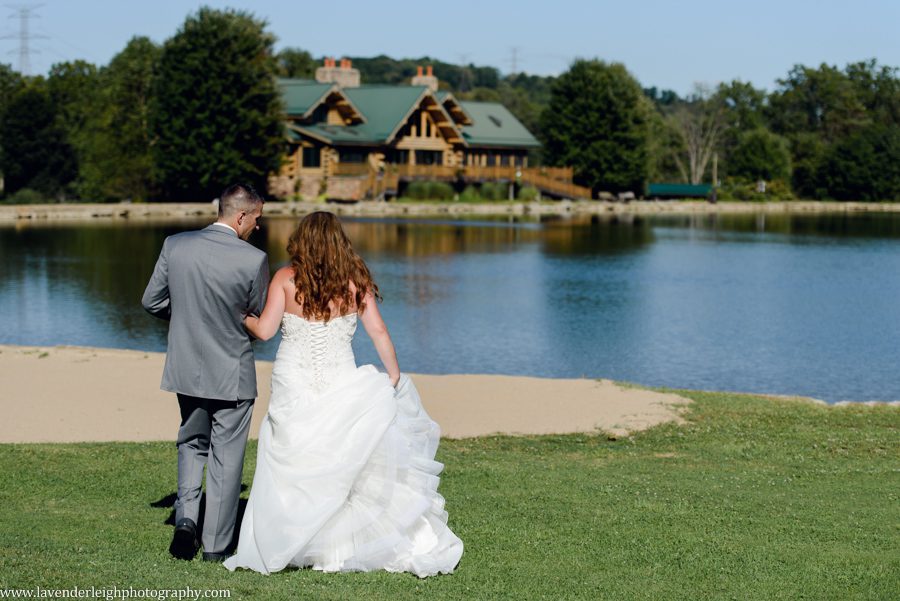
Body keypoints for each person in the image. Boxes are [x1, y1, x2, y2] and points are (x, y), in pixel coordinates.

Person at [223, 211, 463, 577]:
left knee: (294, 455)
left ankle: (291, 538)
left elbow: (267, 332)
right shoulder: (355, 283)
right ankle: (337, 542)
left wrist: (244, 317)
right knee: (342, 459)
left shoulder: (286, 278)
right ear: (339, 242)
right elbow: (379, 332)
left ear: (302, 240)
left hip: (295, 379)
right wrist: (394, 377)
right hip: (340, 378)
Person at [142, 183, 269, 562]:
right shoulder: (253, 260)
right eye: (258, 219)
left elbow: (151, 301)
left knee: (191, 442)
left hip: (186, 367)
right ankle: (214, 545)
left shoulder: (175, 246)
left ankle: (185, 521)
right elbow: (256, 314)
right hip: (231, 372)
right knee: (227, 457)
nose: (258, 228)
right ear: (242, 215)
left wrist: (184, 319)